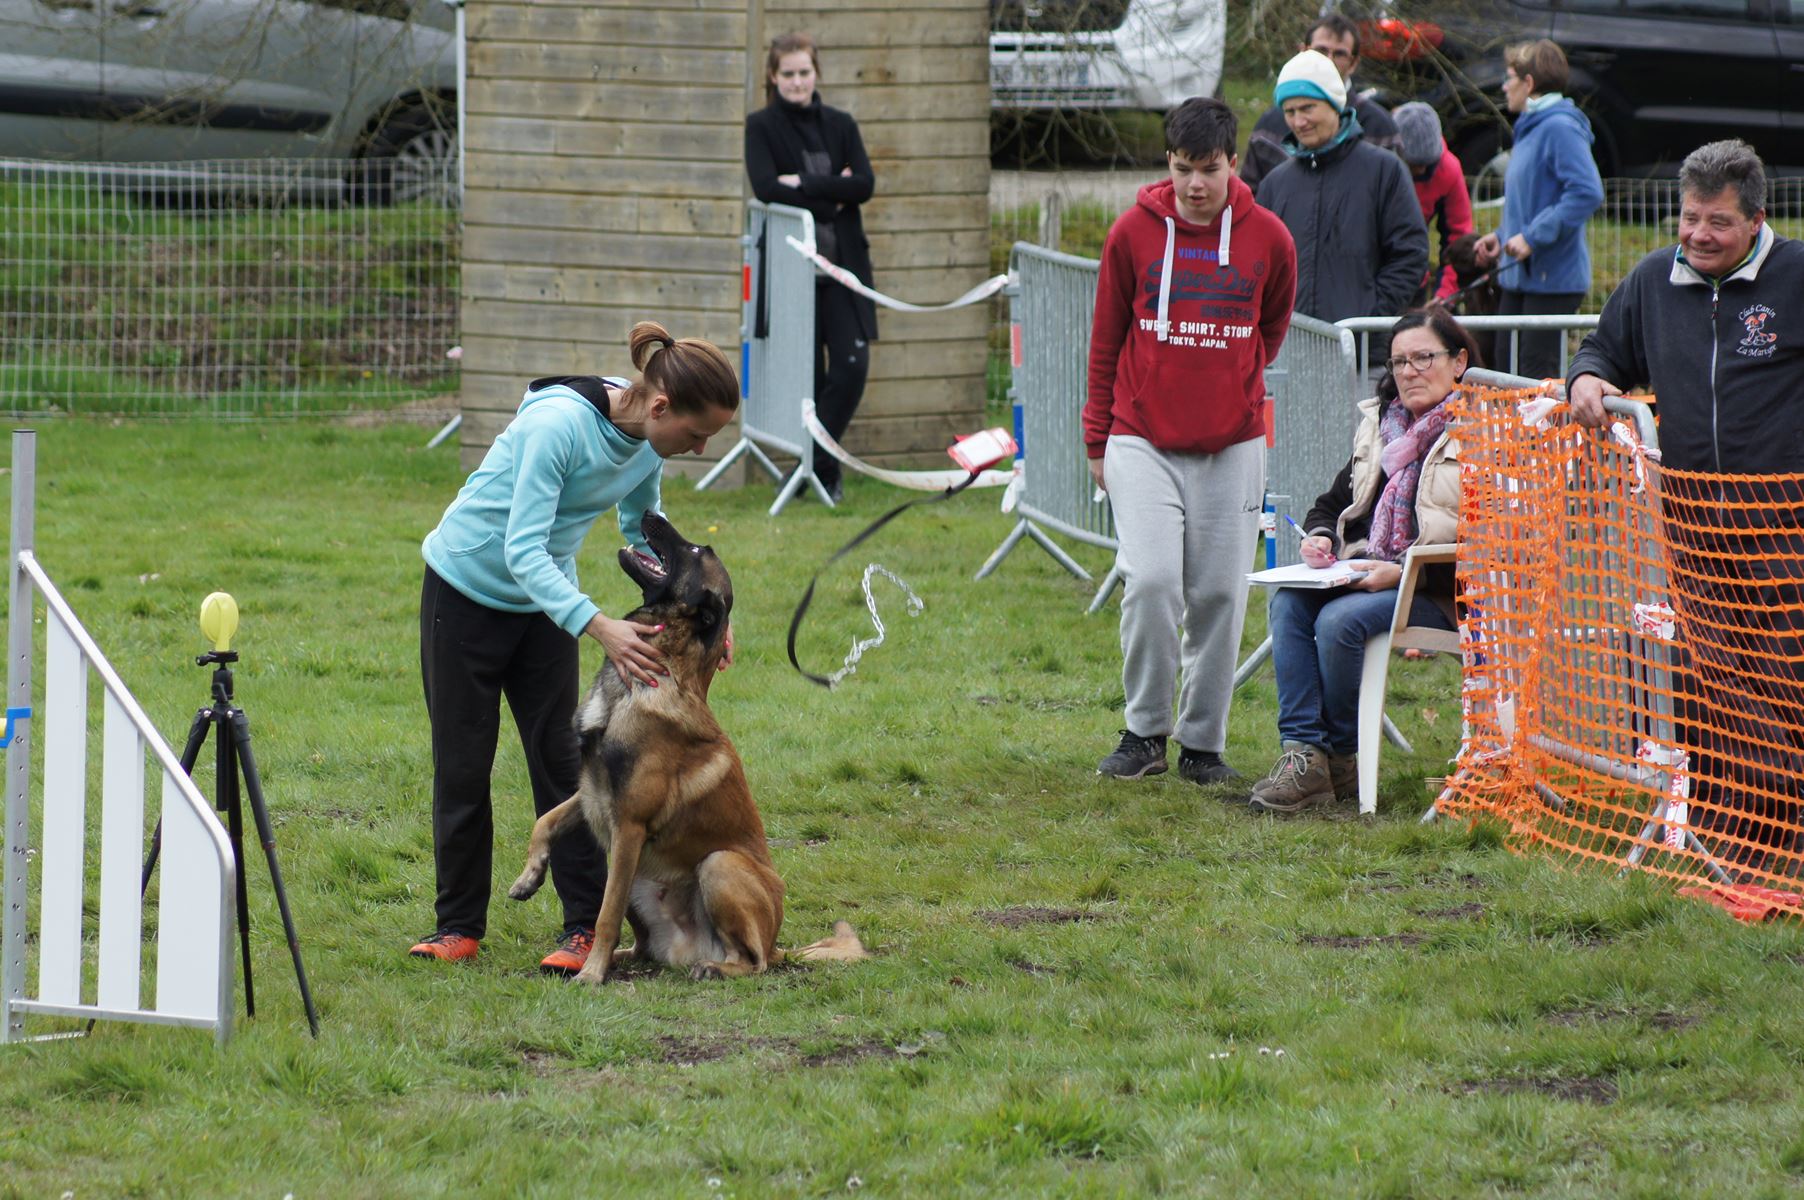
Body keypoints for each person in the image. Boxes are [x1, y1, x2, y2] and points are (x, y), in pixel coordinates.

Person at [411, 322, 740, 970]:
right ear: (660, 406)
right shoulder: (557, 427)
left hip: (544, 606)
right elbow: (520, 548)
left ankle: (585, 929)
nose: (701, 449)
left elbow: (645, 534)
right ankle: (458, 926)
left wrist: (708, 620)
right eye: (698, 434)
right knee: (463, 762)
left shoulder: (646, 444)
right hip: (463, 595)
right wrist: (598, 624)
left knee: (570, 765)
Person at [1568, 139, 1804, 871]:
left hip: (1783, 518)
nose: (1700, 234)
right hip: (1692, 520)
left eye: (1719, 222)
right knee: (1711, 669)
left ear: (1758, 219)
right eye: (1691, 217)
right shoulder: (1650, 282)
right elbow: (1605, 349)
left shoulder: (1797, 276)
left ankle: (1780, 821)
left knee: (1782, 670)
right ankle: (1737, 822)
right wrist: (1586, 378)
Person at [1084, 97, 1298, 786]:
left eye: (1208, 170)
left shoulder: (1270, 239)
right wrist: (1097, 440)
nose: (1194, 185)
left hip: (1232, 443)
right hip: (1141, 437)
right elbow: (1105, 341)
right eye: (1181, 170)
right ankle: (1144, 731)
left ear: (1233, 163)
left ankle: (1203, 745)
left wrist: (1226, 387)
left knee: (1220, 596)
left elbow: (1269, 332)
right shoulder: (1131, 235)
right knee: (1150, 582)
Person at [1248, 308, 1483, 814]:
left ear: (1459, 360)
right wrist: (1318, 538)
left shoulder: (1485, 432)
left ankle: (1337, 756)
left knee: (1338, 620)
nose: (1409, 371)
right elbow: (1335, 502)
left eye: (1424, 357)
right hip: (1366, 571)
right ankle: (1304, 754)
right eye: (1399, 361)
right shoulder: (1383, 424)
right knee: (1290, 601)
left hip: (1440, 590)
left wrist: (1402, 572)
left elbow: (1494, 544)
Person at [744, 31, 877, 504]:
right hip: (793, 273)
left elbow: (863, 184)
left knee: (850, 365)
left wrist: (802, 182)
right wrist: (831, 190)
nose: (798, 82)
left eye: (805, 72)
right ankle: (825, 474)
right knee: (809, 378)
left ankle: (812, 466)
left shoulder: (840, 124)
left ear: (816, 73)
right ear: (773, 76)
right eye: (788, 74)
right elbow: (764, 188)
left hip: (842, 269)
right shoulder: (760, 127)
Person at [1255, 49, 1428, 325]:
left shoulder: (1385, 170)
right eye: (1289, 111)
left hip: (1361, 353)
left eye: (1308, 107)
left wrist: (1369, 316)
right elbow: (1258, 264)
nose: (1299, 121)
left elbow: (1410, 254)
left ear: (1334, 104)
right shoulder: (1274, 185)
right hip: (1291, 351)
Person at [1473, 39, 1603, 379]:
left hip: (1552, 280)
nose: (1504, 86)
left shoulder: (1560, 127)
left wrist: (1533, 236)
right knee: (1504, 369)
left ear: (1529, 83)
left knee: (1535, 380)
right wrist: (1501, 237)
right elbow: (1532, 201)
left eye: (1510, 77)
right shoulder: (1529, 129)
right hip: (1520, 276)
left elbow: (1587, 192)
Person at [1240, 10, 1402, 191]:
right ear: (1303, 50)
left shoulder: (1379, 127)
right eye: (1321, 50)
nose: (1328, 59)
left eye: (1339, 54)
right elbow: (1250, 197)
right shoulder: (1269, 125)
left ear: (1354, 63)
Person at [1391, 101, 1474, 306]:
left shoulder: (1449, 169)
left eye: (1425, 165)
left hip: (1413, 280)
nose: (1419, 171)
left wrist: (1446, 293)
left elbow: (1458, 237)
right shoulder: (1378, 166)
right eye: (1412, 164)